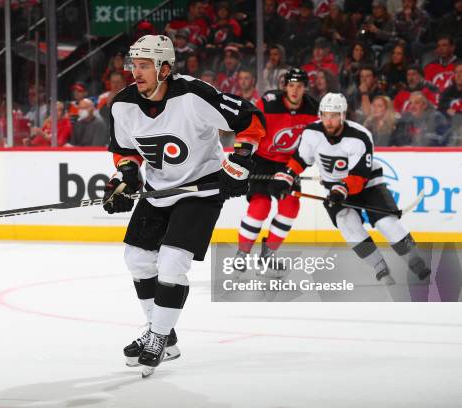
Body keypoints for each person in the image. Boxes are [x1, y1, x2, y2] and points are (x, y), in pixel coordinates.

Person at [104, 34, 265, 376]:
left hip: (200, 190)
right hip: (159, 190)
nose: (136, 71)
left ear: (165, 67)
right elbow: (123, 150)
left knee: (173, 261)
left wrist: (242, 160)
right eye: (134, 64)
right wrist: (126, 176)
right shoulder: (122, 104)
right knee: (136, 257)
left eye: (145, 65)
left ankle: (157, 335)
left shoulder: (194, 95)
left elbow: (250, 120)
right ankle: (164, 335)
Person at [268, 92, 430, 285]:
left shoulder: (360, 136)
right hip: (335, 190)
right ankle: (380, 267)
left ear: (343, 115)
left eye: (334, 115)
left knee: (386, 223)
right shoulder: (312, 133)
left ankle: (415, 259)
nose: (328, 120)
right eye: (325, 115)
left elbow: (359, 175)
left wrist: (340, 189)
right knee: (347, 223)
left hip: (369, 185)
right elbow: (300, 160)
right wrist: (285, 177)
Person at [234, 68, 318, 272]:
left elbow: (317, 141)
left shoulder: (313, 108)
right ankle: (242, 254)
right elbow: (249, 128)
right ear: (285, 87)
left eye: (299, 86)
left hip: (290, 164)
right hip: (261, 160)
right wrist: (240, 156)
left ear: (305, 88)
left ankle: (268, 254)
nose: (295, 90)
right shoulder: (269, 103)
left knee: (290, 208)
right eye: (291, 85)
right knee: (260, 206)